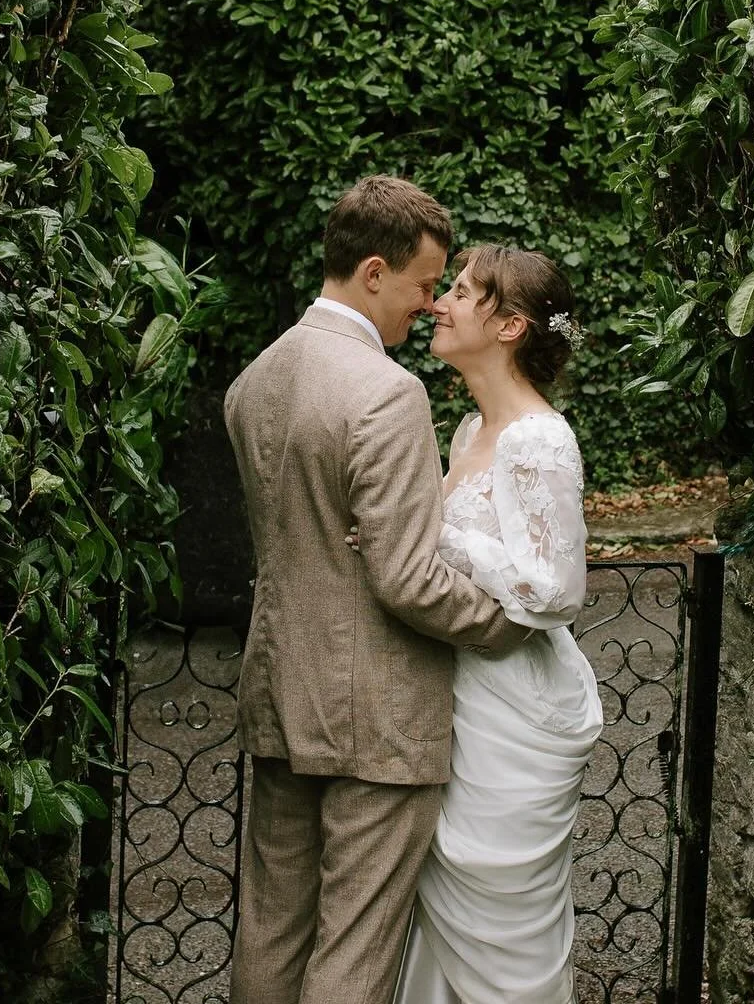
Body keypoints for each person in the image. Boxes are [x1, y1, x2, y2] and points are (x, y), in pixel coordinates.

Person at [224, 176, 528, 1004]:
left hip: (281, 697)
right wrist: (505, 624)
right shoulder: (387, 395)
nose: (430, 306)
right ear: (371, 272)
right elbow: (405, 578)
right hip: (378, 721)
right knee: (354, 950)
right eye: (424, 286)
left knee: (272, 932)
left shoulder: (253, 382)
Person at [378, 242, 604, 1004]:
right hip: (459, 698)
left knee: (502, 939)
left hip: (514, 716)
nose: (440, 302)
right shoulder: (470, 435)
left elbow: (552, 591)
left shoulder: (540, 440)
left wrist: (440, 536)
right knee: (437, 923)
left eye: (465, 292)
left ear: (509, 327)